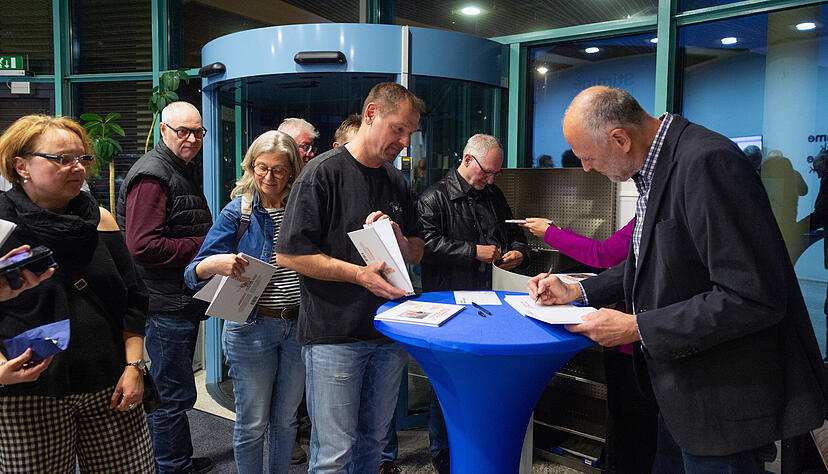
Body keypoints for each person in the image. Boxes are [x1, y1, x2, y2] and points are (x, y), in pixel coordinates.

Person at [528, 86, 828, 473]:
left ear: (620, 138)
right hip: (678, 393)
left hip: (720, 399)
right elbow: (650, 263)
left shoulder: (706, 162)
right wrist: (578, 289)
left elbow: (753, 296)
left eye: (588, 157)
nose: (587, 168)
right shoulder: (657, 167)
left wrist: (638, 327)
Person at [275, 82, 425, 474]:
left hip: (388, 333)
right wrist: (360, 275)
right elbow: (290, 254)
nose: (405, 141)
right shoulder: (321, 173)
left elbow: (417, 250)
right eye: (399, 129)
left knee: (374, 444)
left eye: (411, 132)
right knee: (333, 453)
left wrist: (396, 237)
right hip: (334, 336)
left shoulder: (396, 181)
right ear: (371, 114)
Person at [0, 114, 155, 472]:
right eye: (62, 159)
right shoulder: (4, 226)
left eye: (82, 158)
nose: (78, 168)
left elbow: (132, 299)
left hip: (109, 385)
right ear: (21, 165)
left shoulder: (100, 219)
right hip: (29, 392)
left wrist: (135, 367)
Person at [184, 131, 305, 474]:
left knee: (286, 422)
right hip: (251, 327)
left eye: (278, 170)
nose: (269, 177)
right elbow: (193, 272)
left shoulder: (303, 207)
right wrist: (217, 263)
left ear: (292, 170)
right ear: (251, 167)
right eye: (261, 168)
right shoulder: (240, 211)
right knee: (252, 423)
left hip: (298, 326)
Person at [414, 133, 528, 473]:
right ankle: (443, 458)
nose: (490, 180)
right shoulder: (433, 197)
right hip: (449, 304)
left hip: (493, 301)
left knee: (484, 376)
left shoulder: (493, 195)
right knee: (447, 383)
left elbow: (514, 232)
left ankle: (480, 450)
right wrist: (474, 252)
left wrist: (519, 253)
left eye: (495, 174)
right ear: (467, 160)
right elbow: (425, 247)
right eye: (487, 173)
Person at [116, 101, 214, 474]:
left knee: (175, 389)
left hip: (176, 299)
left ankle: (177, 459)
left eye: (197, 132)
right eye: (182, 131)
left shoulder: (177, 170)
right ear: (163, 131)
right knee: (171, 394)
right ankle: (172, 466)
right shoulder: (154, 176)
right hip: (163, 305)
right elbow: (142, 247)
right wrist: (206, 245)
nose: (191, 138)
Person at [522, 217, 658, 474]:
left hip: (636, 346)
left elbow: (603, 254)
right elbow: (630, 267)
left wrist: (551, 233)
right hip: (630, 343)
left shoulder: (659, 203)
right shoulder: (651, 204)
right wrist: (577, 291)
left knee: (632, 433)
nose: (588, 171)